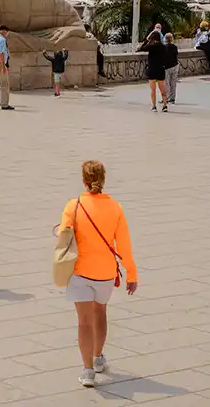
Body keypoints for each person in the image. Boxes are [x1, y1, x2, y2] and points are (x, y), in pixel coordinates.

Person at [58, 160, 137, 388]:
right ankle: (99, 356)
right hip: (105, 272)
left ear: (84, 181)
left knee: (84, 322)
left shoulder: (74, 205)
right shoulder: (115, 207)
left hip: (80, 271)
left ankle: (87, 370)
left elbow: (63, 234)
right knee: (100, 312)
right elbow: (124, 244)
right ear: (103, 180)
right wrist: (131, 273)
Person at [138, 31, 168, 112]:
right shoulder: (163, 46)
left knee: (153, 89)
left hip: (152, 69)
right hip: (160, 69)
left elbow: (141, 48)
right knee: (162, 89)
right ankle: (165, 105)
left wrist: (147, 40)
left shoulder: (151, 46)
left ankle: (154, 106)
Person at [163, 33, 179, 103]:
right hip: (175, 66)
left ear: (165, 39)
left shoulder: (164, 47)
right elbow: (176, 55)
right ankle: (172, 98)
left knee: (167, 83)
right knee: (173, 83)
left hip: (167, 67)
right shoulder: (175, 47)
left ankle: (166, 98)